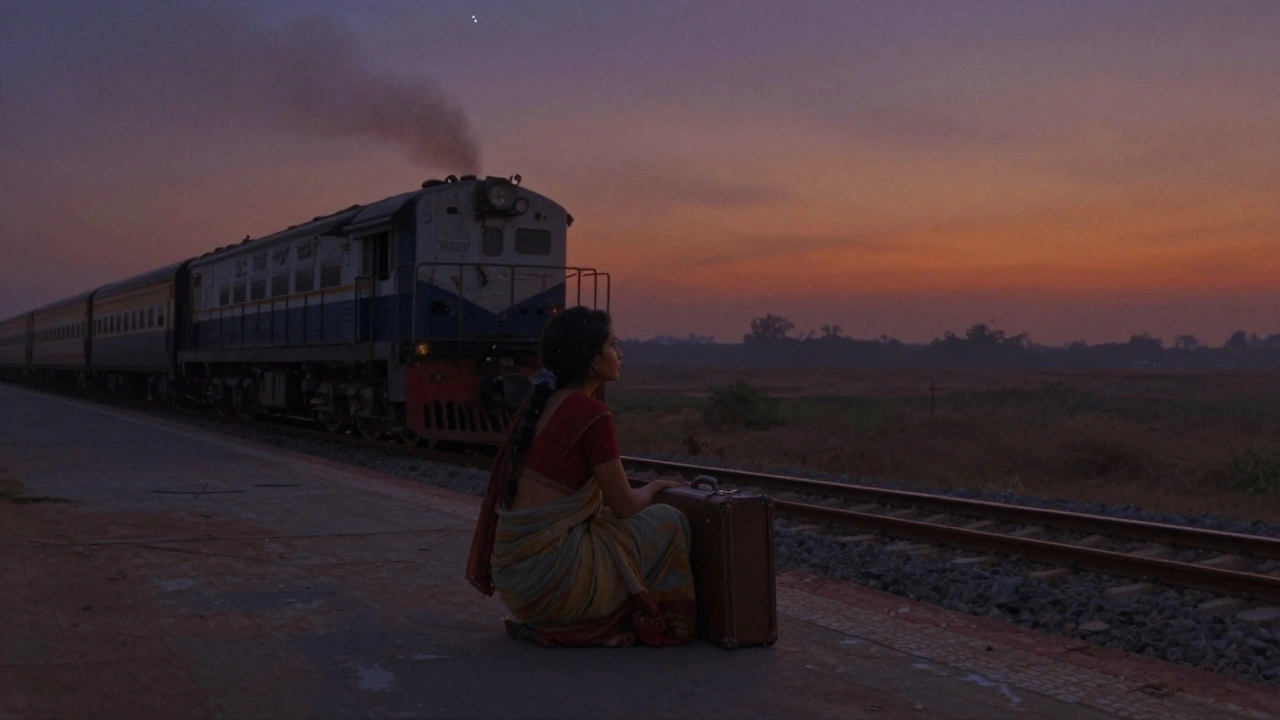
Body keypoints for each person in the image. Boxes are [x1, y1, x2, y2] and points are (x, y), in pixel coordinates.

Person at [466, 306, 697, 647]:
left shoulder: (542, 402)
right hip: (553, 589)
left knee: (607, 527)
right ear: (592, 361)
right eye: (613, 345)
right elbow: (624, 505)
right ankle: (661, 619)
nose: (620, 353)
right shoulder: (591, 414)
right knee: (671, 521)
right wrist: (655, 487)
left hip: (519, 588)